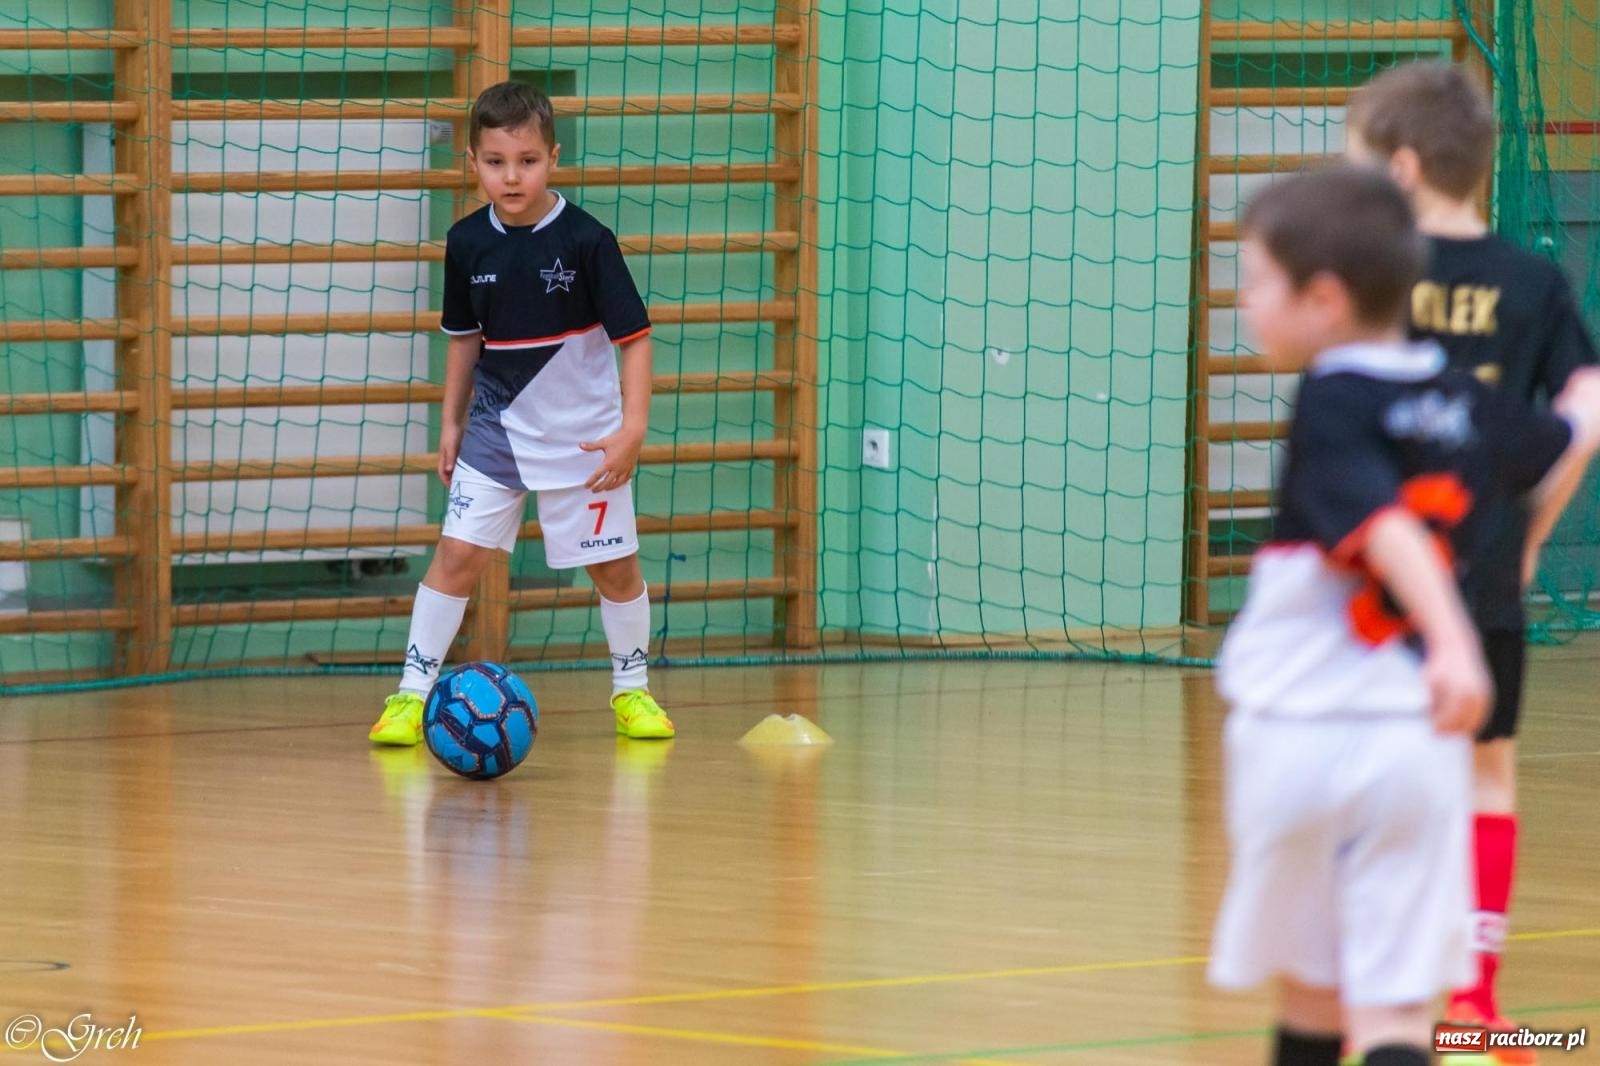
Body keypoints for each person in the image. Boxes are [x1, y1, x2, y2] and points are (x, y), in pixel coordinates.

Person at [1207, 164, 1600, 1066]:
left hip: (1302, 732)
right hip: (1415, 746)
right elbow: (1567, 432)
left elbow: (1381, 527)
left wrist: (1455, 639)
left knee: (1314, 995)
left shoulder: (1335, 394)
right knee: (1393, 1015)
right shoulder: (1471, 404)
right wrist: (1580, 407)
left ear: (1326, 298)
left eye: (1256, 280)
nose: (1244, 301)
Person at [1347, 62, 1599, 1058]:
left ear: (1402, 168)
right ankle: (1477, 999)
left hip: (1380, 581)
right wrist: (1530, 531)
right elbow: (1584, 412)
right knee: (1486, 770)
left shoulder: (1371, 276)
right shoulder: (1534, 282)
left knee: (1377, 775)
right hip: (1484, 570)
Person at [369, 81, 675, 746]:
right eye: (497, 161)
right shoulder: (465, 242)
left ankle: (633, 691)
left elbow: (636, 340)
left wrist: (632, 429)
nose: (513, 176)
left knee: (616, 569)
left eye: (528, 160)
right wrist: (450, 423)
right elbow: (462, 341)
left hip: (586, 438)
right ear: (472, 162)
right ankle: (411, 695)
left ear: (553, 158)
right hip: (496, 430)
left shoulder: (589, 240)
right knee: (454, 556)